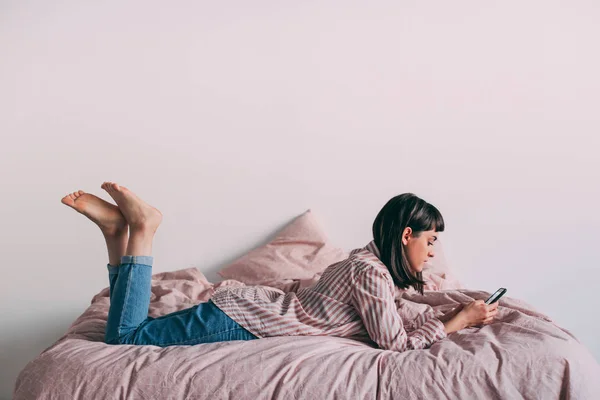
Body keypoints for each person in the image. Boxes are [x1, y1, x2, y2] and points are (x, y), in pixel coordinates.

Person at [61, 182, 498, 351]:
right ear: (407, 236)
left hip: (245, 308)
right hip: (248, 321)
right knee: (124, 340)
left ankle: (117, 234)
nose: (433, 252)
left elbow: (399, 306)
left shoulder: (365, 261)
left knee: (127, 331)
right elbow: (396, 345)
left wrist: (445, 307)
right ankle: (142, 231)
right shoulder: (370, 273)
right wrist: (455, 322)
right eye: (430, 241)